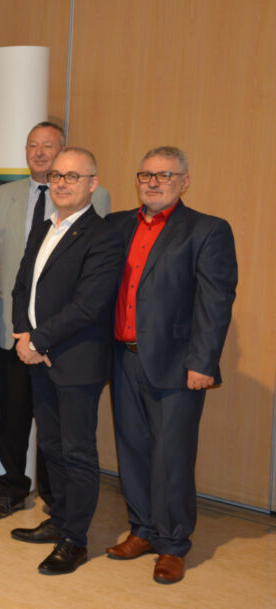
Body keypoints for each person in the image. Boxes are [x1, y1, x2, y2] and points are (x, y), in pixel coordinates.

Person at [105, 146, 237, 584]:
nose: (153, 182)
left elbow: (215, 302)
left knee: (172, 457)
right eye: (146, 174)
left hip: (178, 365)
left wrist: (203, 362)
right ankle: (142, 530)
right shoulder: (117, 225)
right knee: (132, 449)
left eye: (164, 175)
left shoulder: (207, 230)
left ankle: (174, 544)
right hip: (122, 358)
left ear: (184, 181)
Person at [0, 122, 111, 518]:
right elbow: (10, 277)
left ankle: (64, 514)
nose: (40, 153)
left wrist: (41, 338)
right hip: (19, 338)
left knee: (68, 440)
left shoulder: (100, 217)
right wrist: (19, 331)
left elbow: (89, 291)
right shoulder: (20, 211)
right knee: (24, 424)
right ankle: (24, 495)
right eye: (32, 146)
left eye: (48, 147)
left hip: (69, 345)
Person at [9, 148, 125, 574]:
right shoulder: (44, 227)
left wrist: (38, 340)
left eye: (72, 177)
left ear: (92, 184)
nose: (61, 183)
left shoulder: (103, 235)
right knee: (52, 446)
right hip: (38, 357)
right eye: (57, 175)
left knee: (77, 452)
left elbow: (88, 305)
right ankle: (59, 520)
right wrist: (23, 333)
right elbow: (22, 286)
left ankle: (75, 540)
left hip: (75, 361)